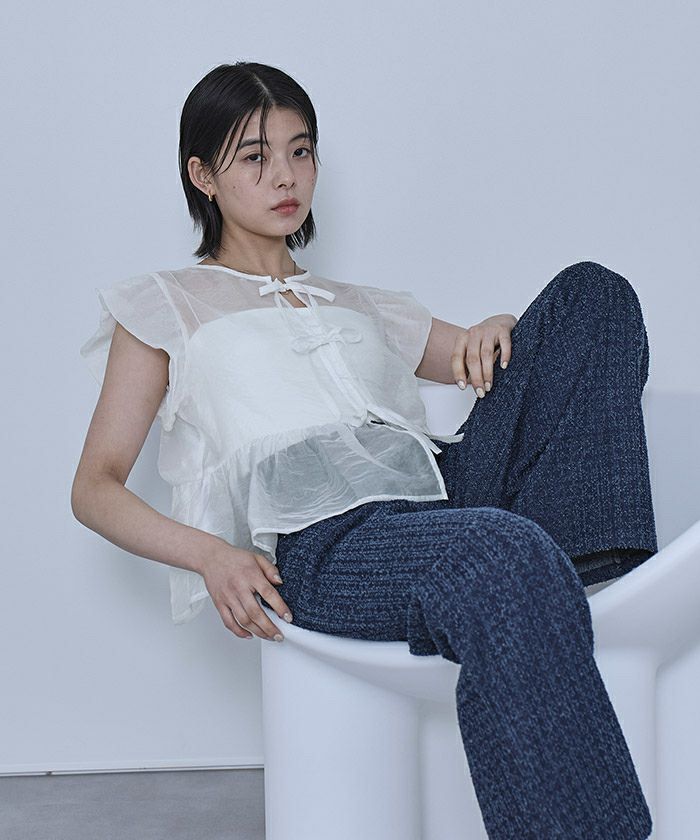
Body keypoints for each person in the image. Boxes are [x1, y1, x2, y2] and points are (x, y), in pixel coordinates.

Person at [72, 61, 656, 839]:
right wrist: (211, 554)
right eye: (255, 157)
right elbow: (96, 486)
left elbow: (501, 364)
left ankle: (570, 568)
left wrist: (495, 326)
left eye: (301, 150)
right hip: (325, 541)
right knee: (497, 552)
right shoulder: (165, 304)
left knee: (593, 294)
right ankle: (535, 586)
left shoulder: (361, 303)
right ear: (202, 174)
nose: (286, 176)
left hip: (441, 497)